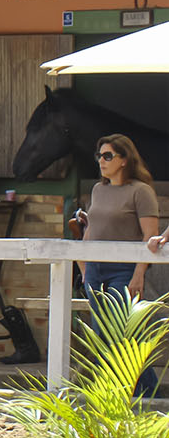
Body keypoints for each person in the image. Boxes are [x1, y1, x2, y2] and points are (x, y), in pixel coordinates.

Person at [77, 134, 160, 396]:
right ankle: (121, 393)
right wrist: (83, 267)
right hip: (95, 269)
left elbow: (150, 237)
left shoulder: (140, 191)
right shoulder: (98, 190)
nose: (101, 161)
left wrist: (139, 274)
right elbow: (91, 229)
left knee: (123, 337)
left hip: (123, 270)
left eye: (108, 156)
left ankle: (147, 394)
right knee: (103, 336)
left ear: (124, 160)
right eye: (99, 156)